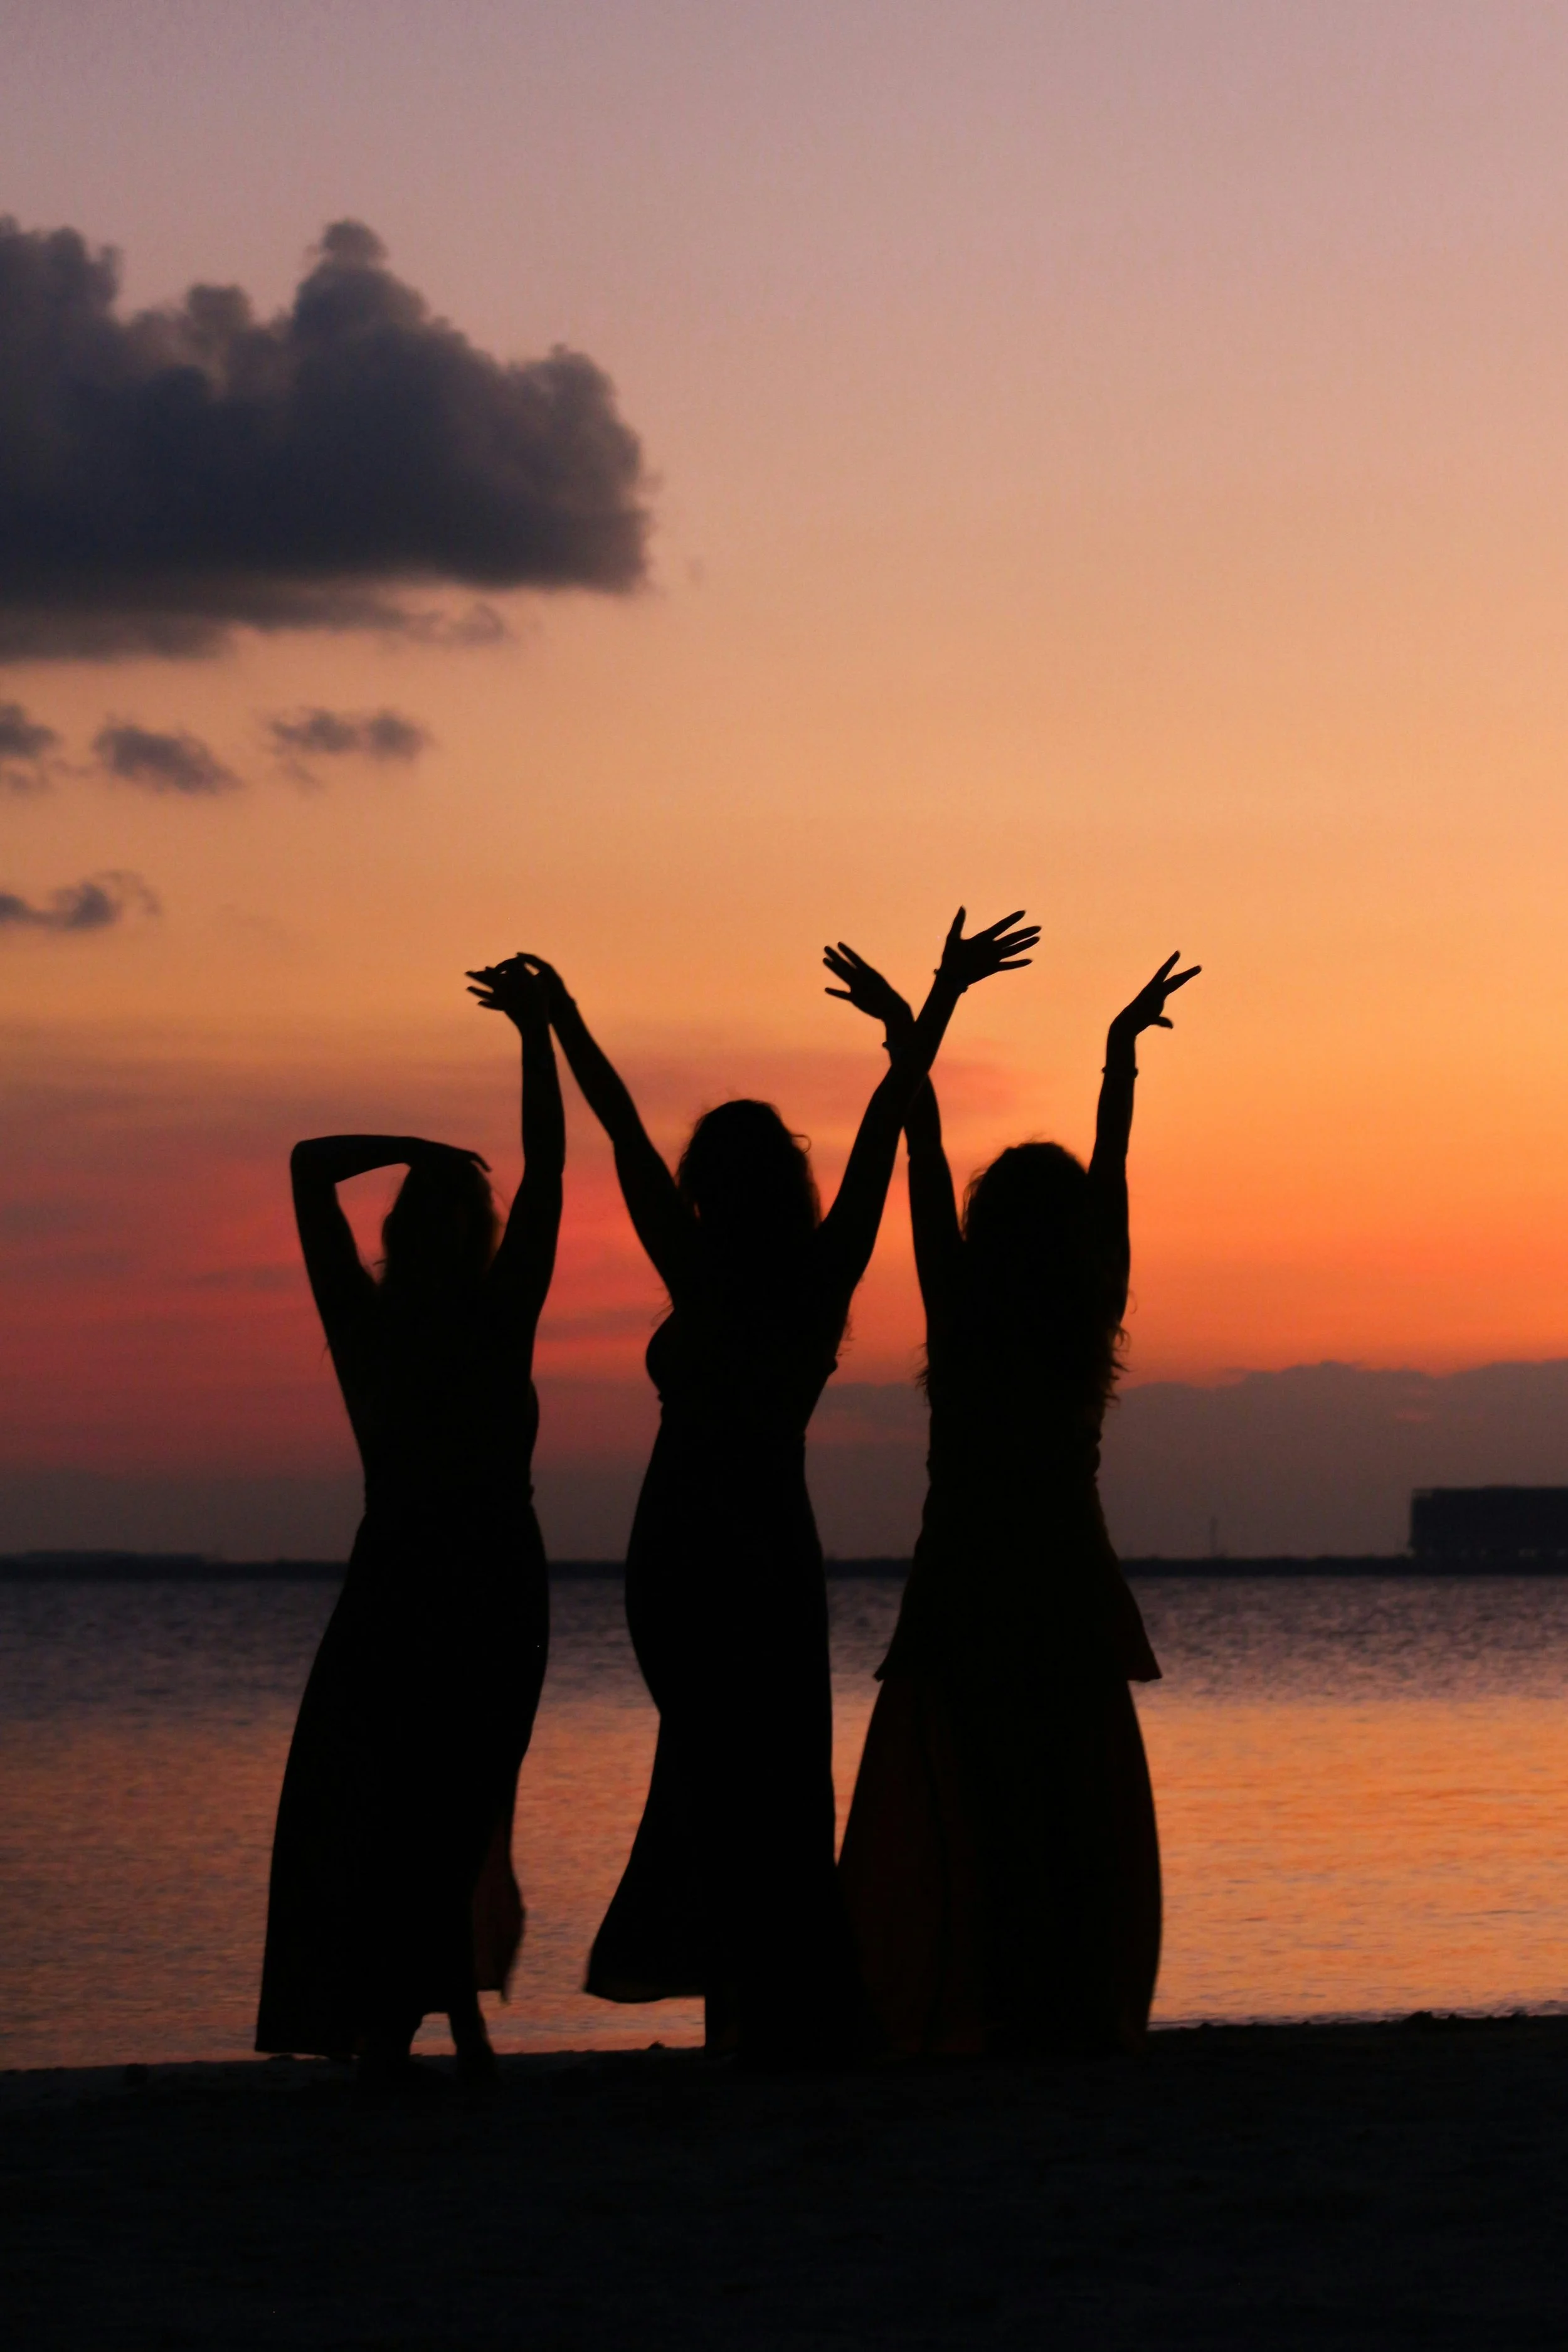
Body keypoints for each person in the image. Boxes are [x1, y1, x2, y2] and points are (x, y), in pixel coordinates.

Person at [487, 909, 1038, 2063]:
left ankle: (750, 2010)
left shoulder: (728, 1274)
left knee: (734, 1770)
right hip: (730, 1552)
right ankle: (754, 2006)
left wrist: (563, 1019)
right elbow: (874, 1127)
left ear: (715, 1185)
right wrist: (931, 1005)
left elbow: (629, 1129)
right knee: (753, 1772)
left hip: (704, 1547)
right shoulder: (802, 1274)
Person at [832, 946, 1199, 2057]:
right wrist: (1118, 1057)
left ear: (991, 1227)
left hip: (969, 1586)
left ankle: (987, 1999)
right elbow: (1111, 1167)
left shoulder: (961, 1307)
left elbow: (924, 1152)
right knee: (1069, 1807)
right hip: (1064, 1587)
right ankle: (1065, 2003)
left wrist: (918, 1023)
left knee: (981, 1806)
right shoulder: (1086, 1309)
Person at [255, 960, 563, 2082]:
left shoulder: (379, 1325)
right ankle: (441, 2019)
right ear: (471, 1233)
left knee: (413, 1800)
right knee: (439, 1799)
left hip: (421, 1578)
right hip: (473, 1578)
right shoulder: (482, 1317)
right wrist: (533, 1033)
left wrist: (415, 1148)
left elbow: (309, 1166)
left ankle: (427, 2020)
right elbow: (549, 1172)